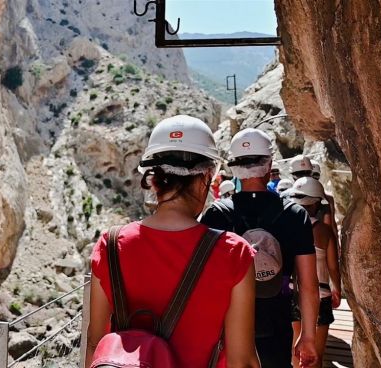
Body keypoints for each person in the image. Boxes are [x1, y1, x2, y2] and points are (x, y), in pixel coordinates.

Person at [86, 115, 260, 368]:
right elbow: (241, 360)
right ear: (206, 179)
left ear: (153, 181)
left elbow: (95, 343)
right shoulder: (233, 253)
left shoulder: (111, 244)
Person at [201, 128, 319, 368]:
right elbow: (308, 284)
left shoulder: (216, 215)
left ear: (234, 168)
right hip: (277, 325)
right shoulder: (294, 215)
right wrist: (307, 336)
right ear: (269, 164)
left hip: (228, 330)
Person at [287, 177, 341, 368]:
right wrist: (338, 290)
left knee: (295, 349)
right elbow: (333, 266)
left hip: (293, 293)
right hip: (321, 294)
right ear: (317, 202)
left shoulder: (288, 229)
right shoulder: (324, 232)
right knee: (315, 355)